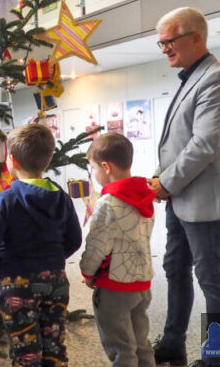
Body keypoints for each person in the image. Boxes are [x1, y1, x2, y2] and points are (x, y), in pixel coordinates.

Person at [149, 7, 220, 367]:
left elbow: (205, 144)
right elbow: (180, 141)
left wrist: (166, 183)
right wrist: (160, 181)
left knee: (212, 280)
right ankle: (172, 343)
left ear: (196, 38)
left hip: (204, 203)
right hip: (180, 199)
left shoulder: (218, 79)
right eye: (161, 42)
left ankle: (217, 359)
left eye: (169, 40)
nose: (164, 48)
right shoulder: (193, 77)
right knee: (176, 270)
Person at [0, 123, 82, 367]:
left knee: (26, 349)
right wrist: (52, 259)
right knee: (54, 343)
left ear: (11, 161)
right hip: (55, 280)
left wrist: (1, 267)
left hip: (16, 283)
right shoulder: (61, 198)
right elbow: (74, 240)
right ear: (47, 159)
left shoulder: (5, 200)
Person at [80, 133, 156, 367]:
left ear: (106, 167)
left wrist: (87, 272)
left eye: (92, 168)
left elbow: (97, 245)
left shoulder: (108, 203)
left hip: (115, 288)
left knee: (121, 348)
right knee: (141, 343)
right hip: (141, 284)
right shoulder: (144, 195)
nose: (92, 174)